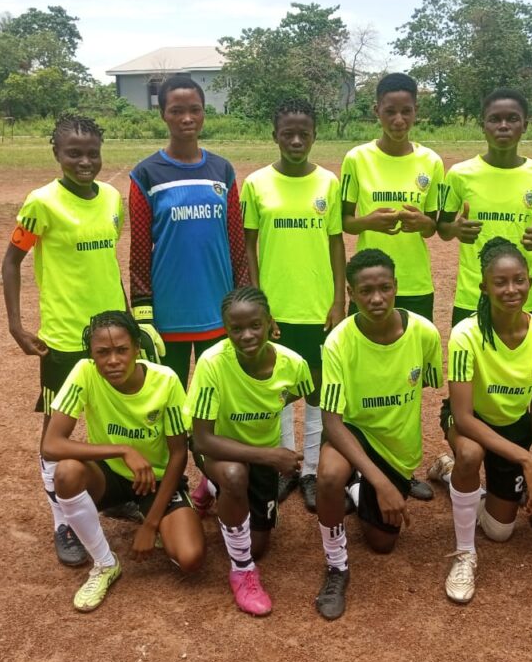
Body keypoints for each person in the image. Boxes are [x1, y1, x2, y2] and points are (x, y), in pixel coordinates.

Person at [1, 114, 128, 567]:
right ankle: (63, 521)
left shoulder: (112, 198)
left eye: (92, 152)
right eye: (74, 153)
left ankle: (114, 495)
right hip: (64, 339)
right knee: (57, 430)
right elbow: (11, 262)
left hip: (111, 335)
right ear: (56, 153)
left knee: (112, 418)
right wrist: (16, 325)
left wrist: (129, 323)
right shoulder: (41, 203)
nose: (85, 161)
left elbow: (107, 265)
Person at [432, 87, 532, 527]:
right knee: (469, 396)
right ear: (482, 124)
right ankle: (460, 462)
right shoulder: (460, 174)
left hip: (526, 303)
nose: (503, 126)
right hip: (472, 300)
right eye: (495, 119)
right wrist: (455, 229)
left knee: (530, 391)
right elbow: (443, 227)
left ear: (525, 124)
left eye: (512, 119)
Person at [42, 311, 205, 612]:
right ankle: (105, 563)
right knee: (66, 472)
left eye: (122, 350)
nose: (113, 360)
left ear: (137, 349)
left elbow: (179, 453)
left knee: (191, 559)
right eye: (102, 352)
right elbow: (51, 445)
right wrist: (122, 450)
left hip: (155, 480)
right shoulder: (85, 373)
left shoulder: (165, 381)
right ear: (92, 355)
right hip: (109, 476)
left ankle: (150, 514)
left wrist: (151, 525)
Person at [313, 249, 443, 620]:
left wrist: (387, 478)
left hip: (395, 447)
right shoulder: (339, 341)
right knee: (329, 476)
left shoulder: (424, 333)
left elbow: (426, 387)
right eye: (366, 291)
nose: (377, 298)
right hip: (352, 432)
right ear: (351, 294)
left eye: (385, 288)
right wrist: (381, 484)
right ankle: (336, 565)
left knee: (383, 544)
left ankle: (358, 487)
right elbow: (332, 422)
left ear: (396, 287)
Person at [443, 237, 532, 604]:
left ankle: (453, 477)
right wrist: (526, 459)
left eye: (519, 280)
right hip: (471, 423)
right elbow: (463, 416)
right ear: (484, 287)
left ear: (530, 281)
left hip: (513, 429)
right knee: (470, 455)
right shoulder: (466, 334)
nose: (511, 290)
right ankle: (465, 553)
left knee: (500, 531)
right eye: (500, 282)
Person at [340, 72, 444, 500]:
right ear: (376, 111)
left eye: (406, 111)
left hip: (414, 284)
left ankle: (404, 467)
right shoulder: (356, 159)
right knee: (363, 378)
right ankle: (356, 469)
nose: (398, 120)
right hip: (370, 290)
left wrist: (423, 223)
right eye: (390, 111)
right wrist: (369, 221)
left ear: (417, 112)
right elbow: (345, 221)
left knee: (408, 380)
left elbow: (435, 225)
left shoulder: (431, 162)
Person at [242, 99, 345, 512]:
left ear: (315, 135)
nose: (297, 140)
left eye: (304, 133)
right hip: (276, 310)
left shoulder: (328, 183)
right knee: (279, 390)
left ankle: (312, 471)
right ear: (275, 136)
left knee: (318, 391)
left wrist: (339, 300)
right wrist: (258, 304)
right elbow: (249, 246)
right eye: (288, 133)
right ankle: (284, 467)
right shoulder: (256, 184)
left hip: (318, 308)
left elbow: (336, 243)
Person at [186, 287, 313, 616]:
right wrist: (272, 456)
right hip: (218, 449)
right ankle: (242, 571)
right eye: (236, 329)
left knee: (259, 547)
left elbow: (304, 392)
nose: (246, 335)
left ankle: (210, 488)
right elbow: (202, 439)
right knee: (233, 475)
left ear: (270, 322)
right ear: (226, 329)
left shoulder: (292, 364)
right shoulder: (212, 363)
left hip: (258, 454)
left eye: (255, 325)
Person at [129, 75, 250, 388]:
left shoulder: (222, 170)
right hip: (169, 313)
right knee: (170, 398)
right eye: (176, 111)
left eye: (195, 109)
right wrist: (143, 313)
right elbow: (139, 249)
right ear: (162, 114)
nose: (187, 118)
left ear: (204, 113)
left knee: (220, 396)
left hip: (220, 309)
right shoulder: (146, 173)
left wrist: (244, 297)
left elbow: (236, 242)